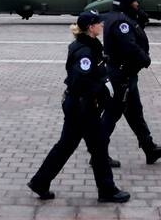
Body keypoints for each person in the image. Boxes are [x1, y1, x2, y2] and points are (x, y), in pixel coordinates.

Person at [28, 11, 130, 203]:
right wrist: (103, 89)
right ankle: (107, 190)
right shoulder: (84, 51)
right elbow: (79, 82)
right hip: (83, 108)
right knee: (98, 147)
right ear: (91, 28)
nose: (102, 25)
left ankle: (40, 182)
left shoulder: (89, 45)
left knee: (65, 146)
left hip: (78, 106)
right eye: (98, 23)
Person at [101, 0, 161, 166]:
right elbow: (129, 47)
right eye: (134, 1)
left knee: (135, 114)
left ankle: (150, 149)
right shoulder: (120, 22)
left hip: (126, 75)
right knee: (111, 115)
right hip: (121, 76)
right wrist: (145, 58)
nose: (137, 4)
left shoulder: (117, 17)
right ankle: (98, 153)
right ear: (126, 3)